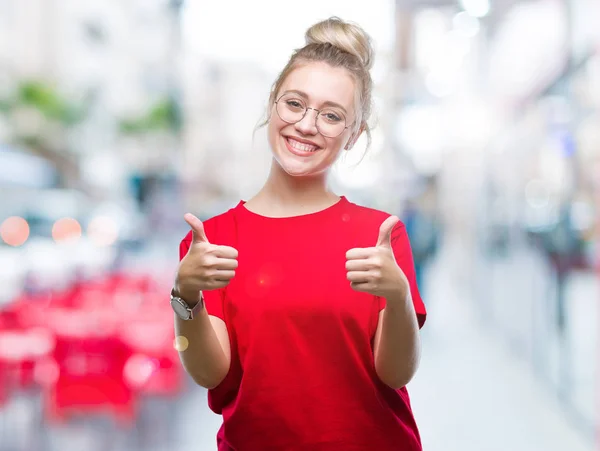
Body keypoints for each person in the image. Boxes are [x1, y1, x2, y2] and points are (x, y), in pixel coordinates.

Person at [172, 17, 427, 451]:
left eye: (332, 115)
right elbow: (209, 375)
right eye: (294, 104)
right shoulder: (211, 241)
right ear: (272, 104)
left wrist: (398, 295)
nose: (307, 126)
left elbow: (396, 373)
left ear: (353, 136)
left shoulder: (380, 236)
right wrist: (186, 295)